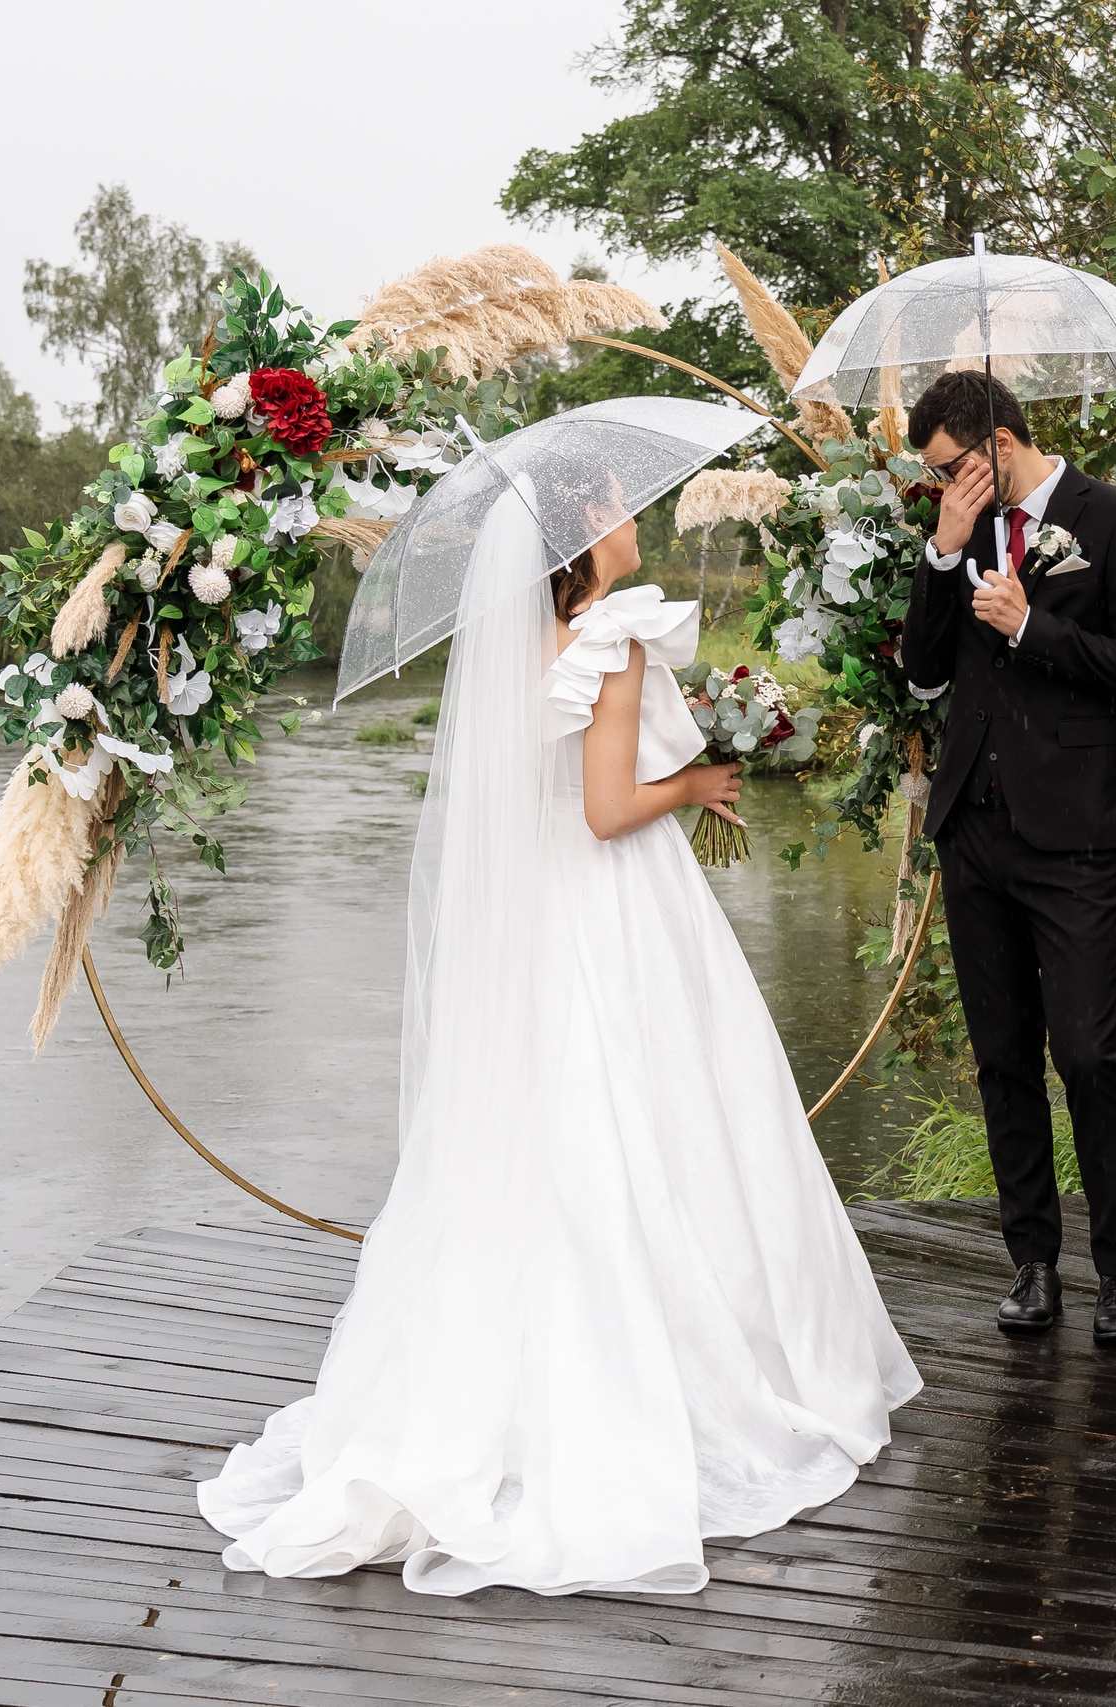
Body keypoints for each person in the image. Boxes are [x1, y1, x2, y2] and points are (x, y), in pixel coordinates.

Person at [198, 483, 921, 1596]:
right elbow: (602, 812)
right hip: (613, 908)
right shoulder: (613, 639)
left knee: (540, 1133)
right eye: (619, 511)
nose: (638, 522)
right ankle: (686, 1375)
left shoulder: (515, 649)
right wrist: (697, 780)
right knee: (656, 1111)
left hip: (534, 928)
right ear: (585, 542)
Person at [900, 370, 1116, 1344]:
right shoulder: (956, 530)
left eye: (949, 472)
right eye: (933, 478)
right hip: (974, 832)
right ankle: (1030, 1266)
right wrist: (939, 554)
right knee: (1002, 1058)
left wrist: (1033, 627)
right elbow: (925, 672)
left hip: (1076, 832)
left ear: (1000, 445)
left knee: (1089, 1053)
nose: (941, 488)